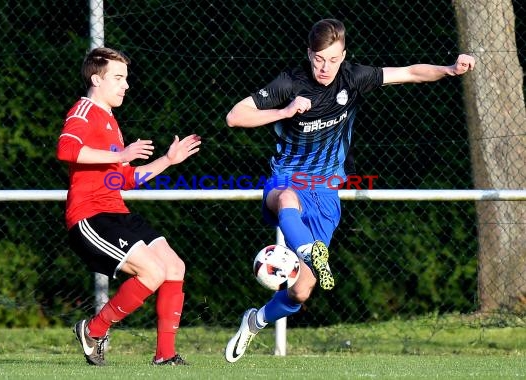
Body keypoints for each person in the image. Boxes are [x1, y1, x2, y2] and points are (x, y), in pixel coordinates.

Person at [224, 18, 475, 362]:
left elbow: (410, 73)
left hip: (326, 192)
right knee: (285, 198)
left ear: (343, 55)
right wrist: (283, 111)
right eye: (318, 59)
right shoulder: (290, 82)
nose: (325, 67)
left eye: (333, 59)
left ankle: (255, 320)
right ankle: (311, 251)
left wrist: (449, 69)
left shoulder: (353, 78)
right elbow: (235, 116)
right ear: (308, 53)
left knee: (300, 292)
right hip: (287, 179)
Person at [56, 47, 201, 366]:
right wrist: (119, 155)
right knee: (152, 272)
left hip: (116, 211)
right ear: (97, 79)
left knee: (174, 267)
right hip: (90, 217)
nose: (126, 85)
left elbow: (125, 180)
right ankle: (93, 330)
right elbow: (67, 150)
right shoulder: (84, 110)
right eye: (118, 78)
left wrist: (167, 160)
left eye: (126, 78)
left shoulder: (110, 121)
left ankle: (165, 355)